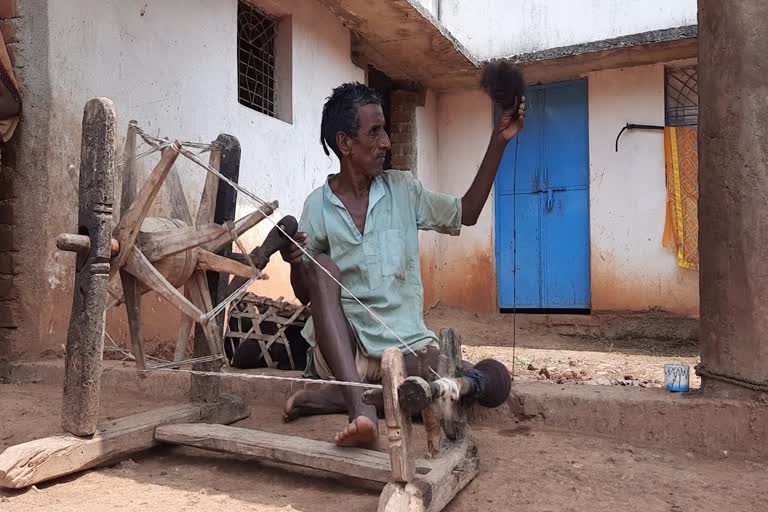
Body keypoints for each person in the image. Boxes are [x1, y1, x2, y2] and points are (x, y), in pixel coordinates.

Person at [281, 82, 525, 448]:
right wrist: (296, 261)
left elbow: (467, 212)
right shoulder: (317, 206)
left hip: (406, 348)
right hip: (345, 353)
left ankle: (342, 398)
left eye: (386, 131)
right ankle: (360, 412)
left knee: (476, 382)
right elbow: (307, 295)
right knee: (323, 266)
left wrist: (499, 141)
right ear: (345, 143)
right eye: (374, 132)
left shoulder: (404, 190)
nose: (386, 143)